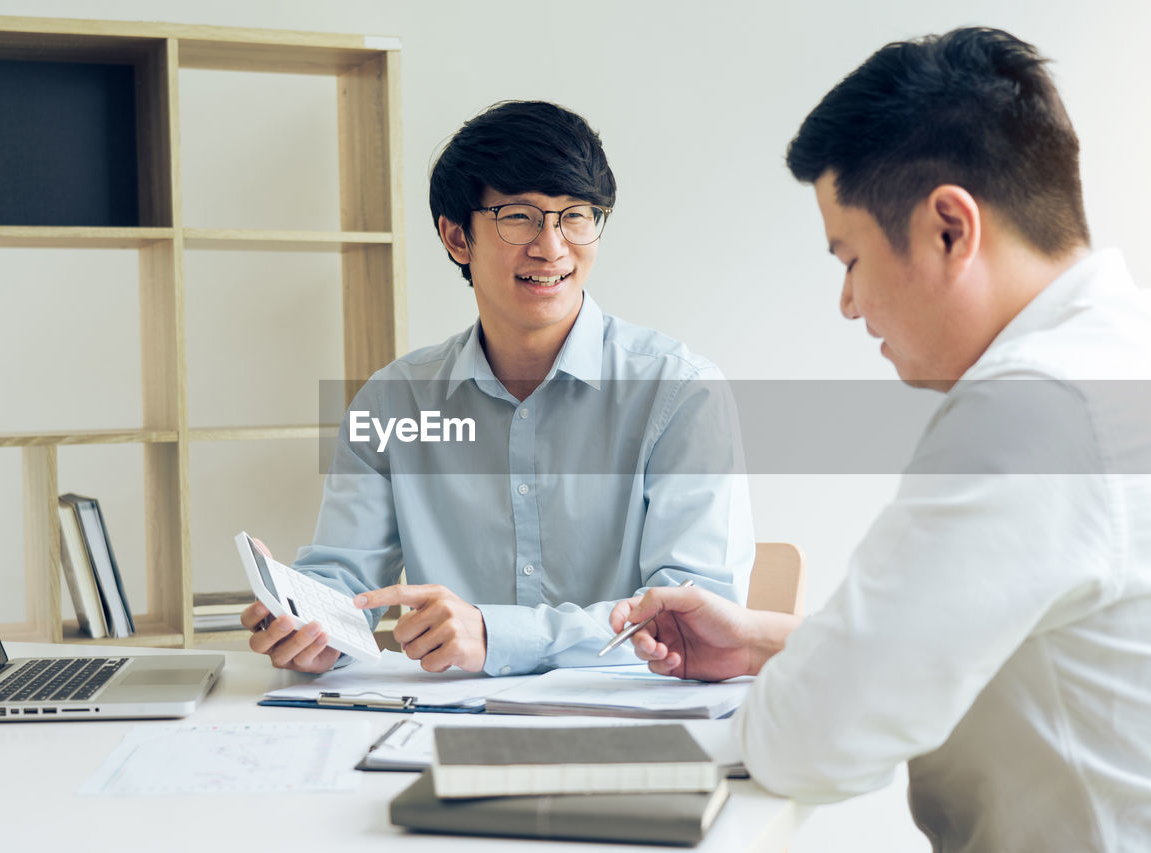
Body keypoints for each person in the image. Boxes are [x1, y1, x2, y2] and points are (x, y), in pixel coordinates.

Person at [611, 27, 1151, 852]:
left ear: (948, 229)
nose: (848, 304)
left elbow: (811, 743)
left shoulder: (1029, 413)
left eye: (850, 257)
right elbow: (1015, 633)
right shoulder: (1116, 358)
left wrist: (803, 685)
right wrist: (767, 640)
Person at [244, 100, 754, 677]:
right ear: (458, 238)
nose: (553, 247)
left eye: (576, 216)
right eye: (520, 217)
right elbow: (348, 585)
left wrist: (498, 636)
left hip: (627, 718)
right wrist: (308, 623)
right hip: (444, 720)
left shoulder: (680, 392)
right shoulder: (394, 401)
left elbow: (691, 617)